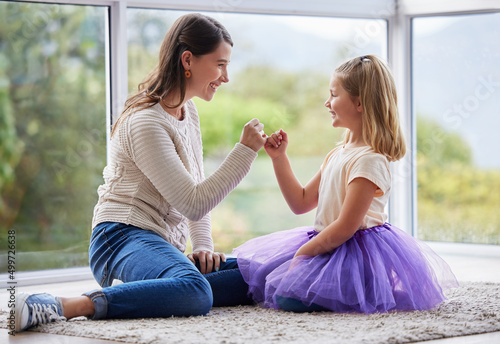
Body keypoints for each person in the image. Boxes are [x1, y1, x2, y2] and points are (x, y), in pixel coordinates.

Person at [14, 13, 267, 332]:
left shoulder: (188, 112)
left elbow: (197, 185)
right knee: (197, 292)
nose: (225, 76)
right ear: (187, 59)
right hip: (118, 238)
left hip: (159, 244)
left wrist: (202, 245)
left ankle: (155, 288)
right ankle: (67, 304)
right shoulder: (145, 121)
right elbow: (193, 202)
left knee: (252, 276)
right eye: (220, 64)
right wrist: (245, 151)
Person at [233, 55, 458, 313]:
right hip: (325, 242)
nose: (327, 102)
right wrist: (279, 158)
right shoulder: (338, 153)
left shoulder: (370, 160)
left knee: (287, 297)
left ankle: (371, 291)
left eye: (334, 95)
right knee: (256, 271)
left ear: (359, 102)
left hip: (352, 255)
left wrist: (303, 255)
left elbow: (345, 227)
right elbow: (301, 202)